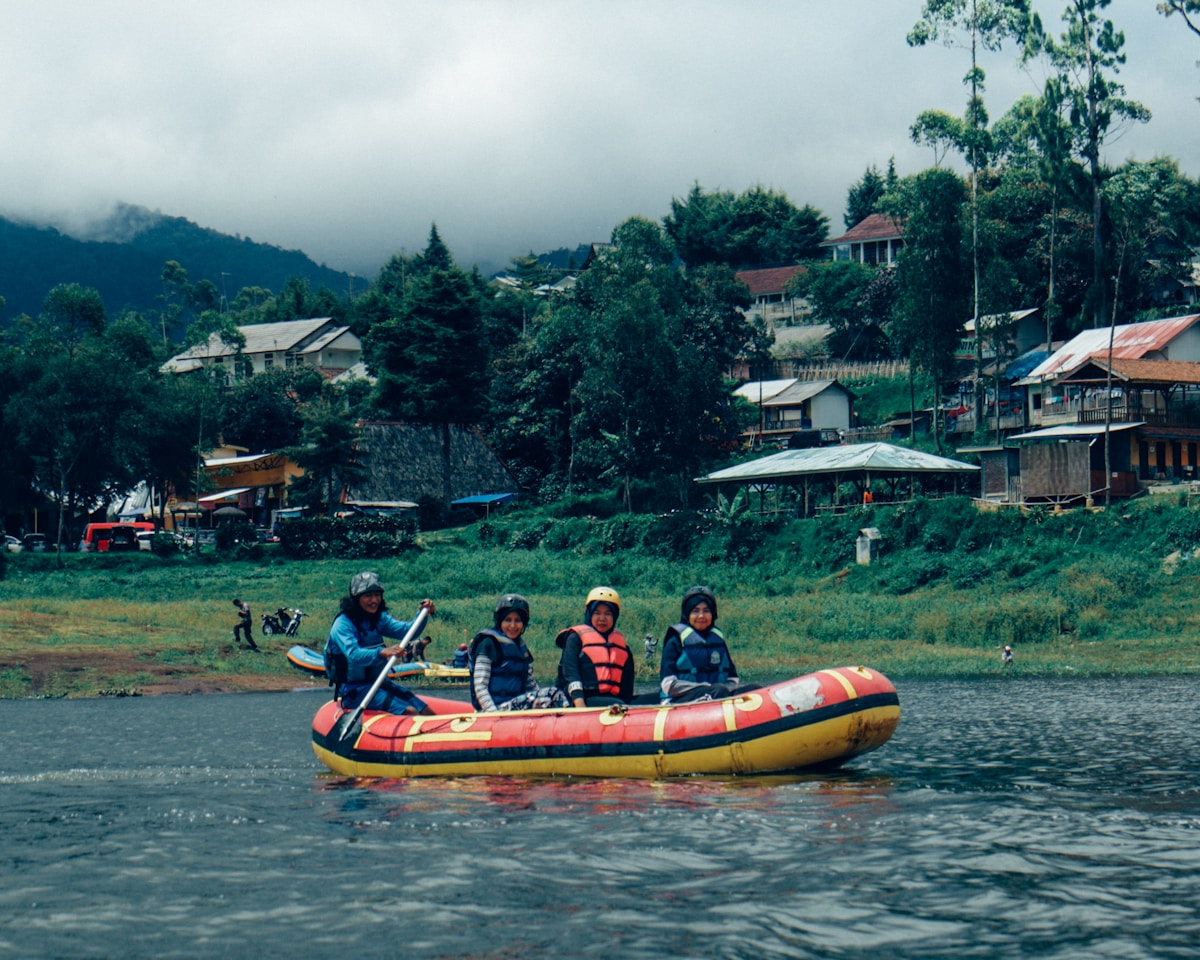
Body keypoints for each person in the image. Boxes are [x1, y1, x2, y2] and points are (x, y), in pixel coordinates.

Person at [323, 571, 435, 716]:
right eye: (368, 596)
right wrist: (382, 652)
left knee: (426, 711)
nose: (374, 600)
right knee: (409, 712)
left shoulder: (378, 618)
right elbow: (354, 655)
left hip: (378, 682)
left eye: (377, 595)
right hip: (353, 690)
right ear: (356, 599)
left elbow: (407, 632)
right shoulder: (343, 624)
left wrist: (423, 615)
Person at [555, 586, 634, 708]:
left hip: (615, 704)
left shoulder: (624, 649)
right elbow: (570, 674)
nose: (602, 618)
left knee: (652, 699)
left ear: (615, 616)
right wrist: (580, 704)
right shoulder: (575, 638)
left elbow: (627, 688)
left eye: (608, 614)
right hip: (581, 700)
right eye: (597, 613)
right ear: (589, 614)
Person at [659, 585, 740, 704]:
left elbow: (733, 679)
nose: (701, 616)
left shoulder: (718, 638)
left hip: (716, 694)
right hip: (678, 702)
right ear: (687, 613)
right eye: (695, 611)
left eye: (706, 610)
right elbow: (668, 684)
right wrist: (706, 688)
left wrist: (722, 690)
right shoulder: (675, 639)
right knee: (718, 691)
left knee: (754, 689)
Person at [468, 593, 539, 711]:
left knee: (554, 694)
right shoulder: (488, 643)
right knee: (552, 694)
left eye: (518, 621)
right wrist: (494, 715)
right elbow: (480, 687)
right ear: (500, 621)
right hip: (496, 710)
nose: (513, 625)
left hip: (517, 709)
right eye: (508, 620)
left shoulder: (521, 648)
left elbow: (532, 686)